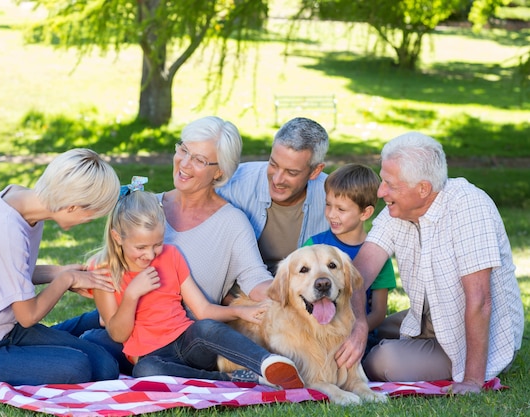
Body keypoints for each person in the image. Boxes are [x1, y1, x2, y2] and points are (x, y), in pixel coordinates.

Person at [0, 148, 122, 388]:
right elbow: (27, 316)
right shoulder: (4, 229)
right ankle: (72, 336)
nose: (89, 221)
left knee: (105, 366)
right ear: (72, 207)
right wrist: (64, 280)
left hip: (2, 331)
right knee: (78, 367)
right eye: (91, 214)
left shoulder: (24, 205)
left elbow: (11, 273)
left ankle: (70, 337)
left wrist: (58, 271)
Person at [344, 132, 524, 395]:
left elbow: (480, 300)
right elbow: (358, 273)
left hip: (466, 335)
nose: (381, 192)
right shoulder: (399, 209)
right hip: (426, 319)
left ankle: (451, 365)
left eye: (390, 184)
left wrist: (472, 381)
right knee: (372, 327)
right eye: (383, 180)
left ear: (423, 189)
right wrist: (359, 323)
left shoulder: (468, 206)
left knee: (380, 361)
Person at [89, 190, 305, 389]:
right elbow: (118, 334)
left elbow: (202, 309)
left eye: (157, 244)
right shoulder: (104, 271)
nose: (152, 254)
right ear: (118, 237)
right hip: (151, 357)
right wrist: (132, 294)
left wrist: (239, 312)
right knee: (145, 372)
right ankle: (233, 379)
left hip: (187, 341)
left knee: (206, 327)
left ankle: (268, 364)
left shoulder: (171, 255)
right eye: (141, 247)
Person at [158, 116, 274, 304]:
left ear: (220, 171)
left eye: (199, 160)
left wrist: (295, 291)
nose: (185, 163)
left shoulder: (232, 222)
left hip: (194, 331)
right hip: (133, 328)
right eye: (183, 150)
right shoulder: (146, 206)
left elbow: (255, 278)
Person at [302, 163, 396, 354]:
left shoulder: (379, 254)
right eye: (328, 205)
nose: (331, 214)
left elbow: (379, 312)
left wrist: (352, 333)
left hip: (358, 339)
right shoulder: (314, 244)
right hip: (314, 333)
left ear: (365, 213)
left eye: (341, 209)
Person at [217, 117, 330, 275]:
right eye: (273, 164)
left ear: (315, 171)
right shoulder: (232, 185)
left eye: (291, 172)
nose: (277, 179)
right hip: (239, 293)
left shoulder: (333, 197)